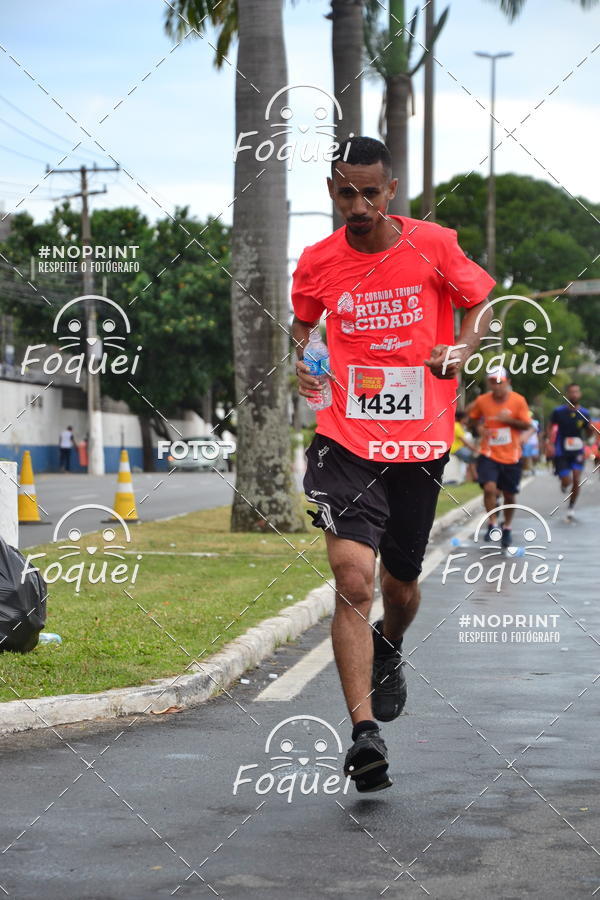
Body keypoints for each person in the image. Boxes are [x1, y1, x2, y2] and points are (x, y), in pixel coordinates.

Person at [292, 136, 495, 793]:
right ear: (332, 192)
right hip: (344, 440)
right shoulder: (319, 260)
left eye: (370, 192)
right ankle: (363, 734)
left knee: (399, 586)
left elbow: (479, 301)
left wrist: (460, 350)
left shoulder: (433, 245)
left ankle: (391, 644)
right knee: (353, 578)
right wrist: (307, 355)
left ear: (392, 190)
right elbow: (303, 321)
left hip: (420, 444)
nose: (358, 204)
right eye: (346, 192)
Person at [468, 368, 532, 547]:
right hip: (489, 452)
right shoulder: (482, 400)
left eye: (500, 381)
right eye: (492, 382)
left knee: (509, 495)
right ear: (489, 383)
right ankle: (493, 524)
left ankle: (508, 526)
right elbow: (473, 419)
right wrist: (479, 428)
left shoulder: (518, 400)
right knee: (489, 488)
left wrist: (509, 420)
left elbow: (527, 425)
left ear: (507, 382)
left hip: (512, 454)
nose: (496, 386)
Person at [547, 383, 592, 521]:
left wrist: (588, 434)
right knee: (567, 480)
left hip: (577, 450)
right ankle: (563, 483)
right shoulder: (558, 412)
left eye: (576, 392)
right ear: (567, 394)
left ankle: (571, 507)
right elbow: (550, 427)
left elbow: (588, 431)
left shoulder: (585, 413)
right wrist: (549, 443)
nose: (574, 394)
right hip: (561, 449)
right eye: (571, 392)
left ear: (580, 394)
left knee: (576, 480)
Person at [451, 410, 479, 481]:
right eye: (466, 418)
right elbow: (465, 442)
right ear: (462, 418)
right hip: (456, 449)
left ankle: (471, 478)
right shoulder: (457, 426)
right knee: (472, 457)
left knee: (471, 458)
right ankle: (476, 478)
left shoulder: (458, 426)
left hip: (459, 448)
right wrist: (475, 449)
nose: (467, 420)